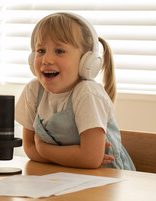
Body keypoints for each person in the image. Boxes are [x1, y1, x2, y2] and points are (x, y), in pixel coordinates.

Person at [15, 12, 135, 170]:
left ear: (86, 61)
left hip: (107, 179)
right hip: (64, 176)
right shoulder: (34, 90)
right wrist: (73, 158)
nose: (46, 60)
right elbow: (30, 149)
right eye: (41, 51)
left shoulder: (87, 93)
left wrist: (44, 149)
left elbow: (90, 159)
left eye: (59, 51)